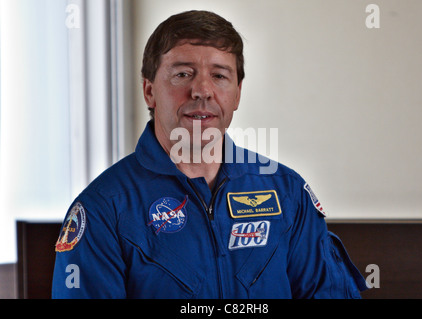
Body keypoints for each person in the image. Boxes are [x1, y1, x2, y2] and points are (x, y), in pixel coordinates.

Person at [52, 10, 367, 299]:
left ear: (237, 93)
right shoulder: (102, 210)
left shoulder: (287, 192)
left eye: (219, 76)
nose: (202, 90)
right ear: (149, 91)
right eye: (183, 74)